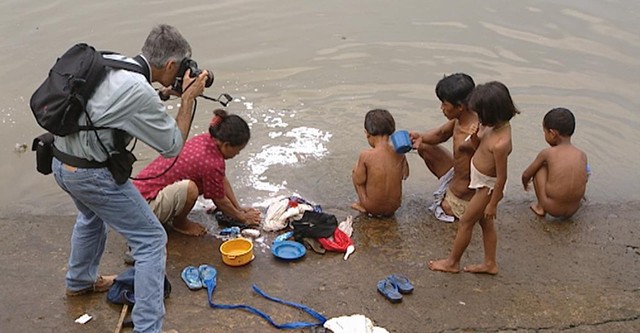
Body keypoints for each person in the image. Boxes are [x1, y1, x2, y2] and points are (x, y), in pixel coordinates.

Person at [51, 24, 208, 333]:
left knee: (91, 216)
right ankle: (149, 328)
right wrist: (187, 100)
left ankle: (79, 281)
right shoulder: (138, 90)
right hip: (90, 174)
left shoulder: (111, 61)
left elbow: (113, 106)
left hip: (60, 162)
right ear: (172, 65)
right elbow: (172, 146)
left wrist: (164, 94)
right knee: (151, 240)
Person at [429, 81, 519, 275]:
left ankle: (452, 262)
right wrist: (476, 137)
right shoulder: (491, 127)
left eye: (481, 114)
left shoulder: (501, 142)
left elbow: (502, 177)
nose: (477, 117)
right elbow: (479, 147)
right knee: (486, 224)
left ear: (492, 113)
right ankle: (490, 263)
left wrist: (492, 203)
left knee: (466, 222)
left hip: (487, 188)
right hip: (480, 183)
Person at [133, 109, 261, 235]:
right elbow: (219, 200)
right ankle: (180, 223)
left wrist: (238, 209)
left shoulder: (206, 140)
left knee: (189, 186)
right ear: (226, 145)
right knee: (190, 189)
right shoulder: (212, 163)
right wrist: (243, 219)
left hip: (138, 196)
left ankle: (171, 213)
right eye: (237, 150)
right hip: (145, 210)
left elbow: (221, 179)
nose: (237, 154)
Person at [409, 73, 477, 222]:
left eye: (445, 104)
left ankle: (466, 204)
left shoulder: (476, 133)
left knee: (446, 207)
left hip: (467, 193)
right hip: (457, 176)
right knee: (424, 146)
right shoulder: (458, 120)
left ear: (460, 106)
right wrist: (420, 136)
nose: (442, 108)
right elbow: (440, 134)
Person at [521, 107, 589, 218]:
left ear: (552, 134)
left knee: (540, 168)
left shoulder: (547, 153)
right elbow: (584, 178)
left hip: (552, 208)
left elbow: (526, 174)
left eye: (544, 132)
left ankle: (540, 207)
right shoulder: (582, 155)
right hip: (573, 209)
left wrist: (525, 184)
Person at [351, 109, 409, 216]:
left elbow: (359, 180)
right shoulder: (399, 153)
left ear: (367, 134)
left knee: (356, 171)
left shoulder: (365, 155)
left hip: (372, 208)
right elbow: (405, 175)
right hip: (394, 207)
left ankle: (362, 204)